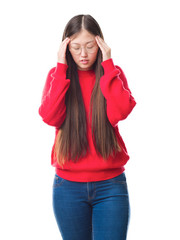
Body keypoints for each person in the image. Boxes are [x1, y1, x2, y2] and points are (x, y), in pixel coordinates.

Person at [39, 14, 136, 240]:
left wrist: (108, 64)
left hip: (111, 186)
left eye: (90, 46)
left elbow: (120, 112)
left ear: (100, 44)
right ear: (66, 48)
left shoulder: (113, 73)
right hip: (67, 188)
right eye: (76, 47)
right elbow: (50, 117)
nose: (83, 54)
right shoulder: (57, 76)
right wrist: (61, 67)